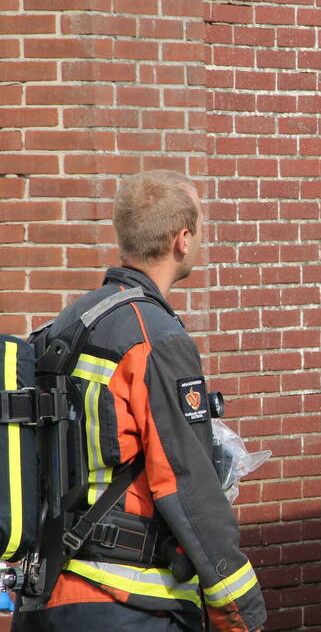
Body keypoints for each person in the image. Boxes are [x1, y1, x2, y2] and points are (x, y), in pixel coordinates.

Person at [12, 170, 266, 631]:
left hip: (49, 596)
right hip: (130, 606)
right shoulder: (156, 337)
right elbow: (186, 481)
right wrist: (242, 613)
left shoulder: (66, 325)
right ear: (182, 240)